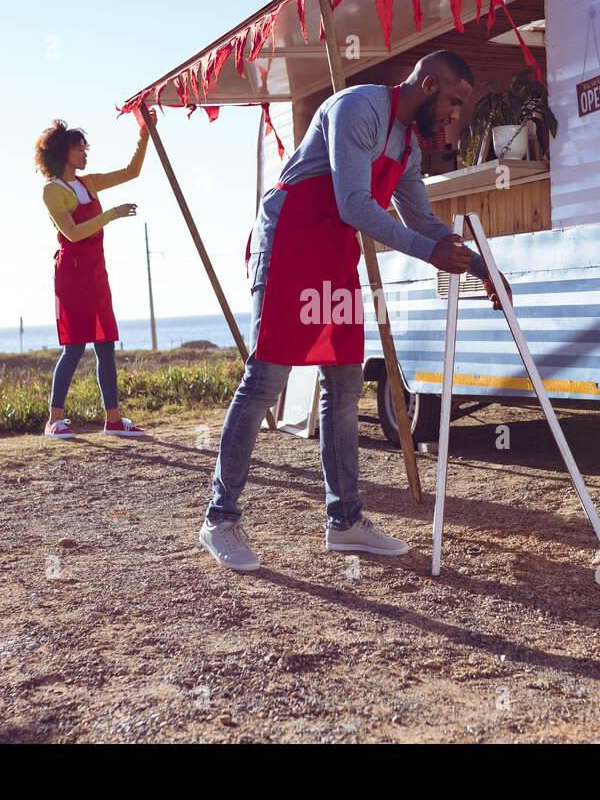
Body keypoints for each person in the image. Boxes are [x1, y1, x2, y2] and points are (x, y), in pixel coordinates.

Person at [200, 50, 508, 571]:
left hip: (335, 256)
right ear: (428, 83)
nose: (456, 114)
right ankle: (220, 518)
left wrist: (482, 267)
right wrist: (429, 251)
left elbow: (425, 222)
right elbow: (353, 203)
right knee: (266, 379)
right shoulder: (357, 108)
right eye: (454, 101)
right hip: (291, 242)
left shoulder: (408, 147)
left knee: (343, 386)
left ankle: (345, 522)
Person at [35, 116, 154, 439]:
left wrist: (144, 134)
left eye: (85, 148)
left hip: (96, 272)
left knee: (105, 344)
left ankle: (113, 421)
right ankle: (54, 421)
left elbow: (132, 172)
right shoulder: (52, 191)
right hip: (72, 274)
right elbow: (72, 234)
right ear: (63, 153)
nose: (85, 153)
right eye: (79, 149)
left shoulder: (88, 183)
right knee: (74, 348)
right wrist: (112, 214)